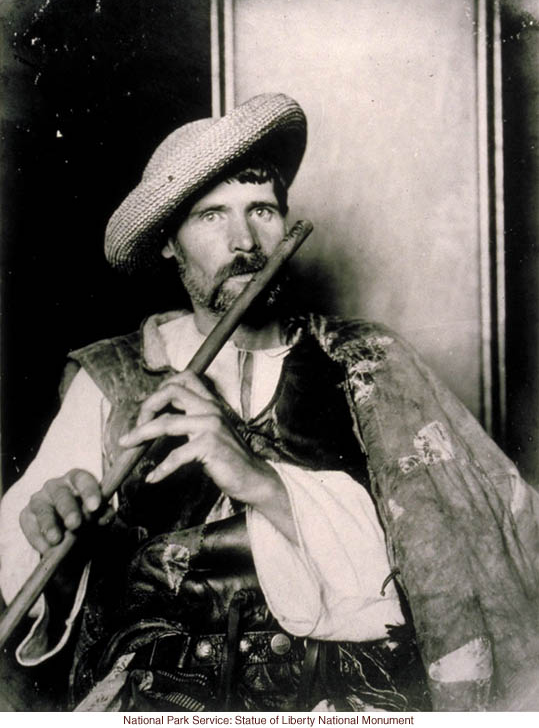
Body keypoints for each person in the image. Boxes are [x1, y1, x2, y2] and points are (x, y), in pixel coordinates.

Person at [1, 93, 538, 713]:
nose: (245, 240)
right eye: (210, 216)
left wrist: (261, 483)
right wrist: (60, 550)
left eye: (262, 210)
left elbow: (453, 567)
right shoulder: (115, 375)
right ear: (168, 244)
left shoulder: (366, 362)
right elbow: (30, 577)